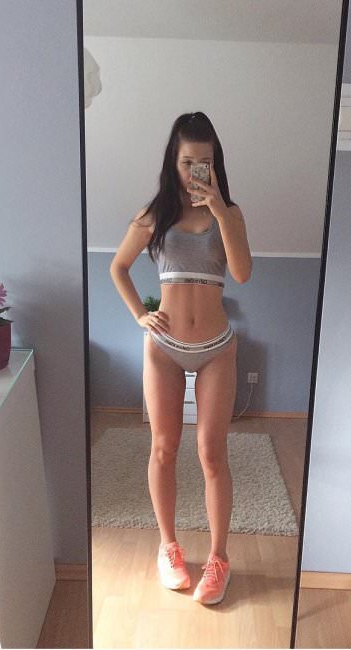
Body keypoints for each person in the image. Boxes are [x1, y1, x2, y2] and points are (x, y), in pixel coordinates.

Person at [109, 112, 252, 605]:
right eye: (188, 161)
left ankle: (219, 558)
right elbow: (119, 267)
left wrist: (221, 213)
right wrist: (139, 315)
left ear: (216, 163)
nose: (195, 170)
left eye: (204, 162)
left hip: (216, 350)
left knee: (211, 453)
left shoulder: (230, 213)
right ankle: (168, 547)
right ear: (174, 160)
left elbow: (242, 273)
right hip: (164, 350)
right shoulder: (154, 215)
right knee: (163, 448)